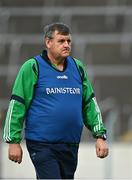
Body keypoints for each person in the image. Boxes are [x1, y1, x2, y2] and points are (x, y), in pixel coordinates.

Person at [3, 22, 108, 179]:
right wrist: (13, 141)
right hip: (42, 144)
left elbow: (89, 104)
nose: (66, 45)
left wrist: (100, 136)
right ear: (48, 42)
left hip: (70, 145)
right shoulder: (33, 67)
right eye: (61, 41)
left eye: (68, 41)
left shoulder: (77, 67)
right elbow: (18, 104)